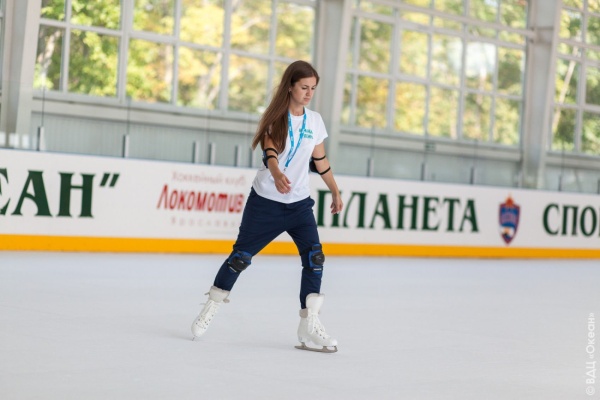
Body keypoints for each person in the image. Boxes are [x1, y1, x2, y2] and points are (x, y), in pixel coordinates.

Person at [191, 60, 343, 352]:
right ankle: (211, 306)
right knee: (240, 258)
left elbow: (320, 160)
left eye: (313, 88)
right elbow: (270, 151)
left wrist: (335, 190)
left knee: (315, 259)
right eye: (304, 87)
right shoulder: (275, 118)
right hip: (266, 203)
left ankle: (309, 323)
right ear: (290, 86)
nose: (309, 93)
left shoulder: (315, 121)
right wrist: (276, 173)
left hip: (299, 205)